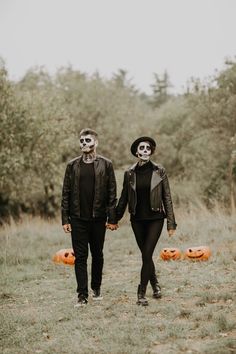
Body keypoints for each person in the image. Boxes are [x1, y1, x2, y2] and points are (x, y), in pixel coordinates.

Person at [116, 137, 177, 306]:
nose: (144, 150)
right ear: (136, 152)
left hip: (155, 219)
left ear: (151, 151)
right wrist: (114, 219)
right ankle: (155, 284)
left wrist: (171, 223)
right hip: (137, 220)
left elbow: (167, 198)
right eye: (141, 148)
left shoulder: (159, 171)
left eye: (148, 148)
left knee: (147, 253)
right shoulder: (129, 173)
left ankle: (141, 293)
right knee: (146, 256)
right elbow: (124, 198)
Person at [61, 128, 118, 307]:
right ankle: (82, 295)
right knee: (80, 257)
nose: (84, 144)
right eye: (82, 141)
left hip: (98, 218)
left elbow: (111, 193)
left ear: (96, 143)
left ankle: (96, 288)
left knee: (98, 254)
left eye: (87, 140)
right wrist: (65, 218)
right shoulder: (72, 165)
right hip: (77, 218)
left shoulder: (106, 164)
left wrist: (112, 218)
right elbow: (65, 193)